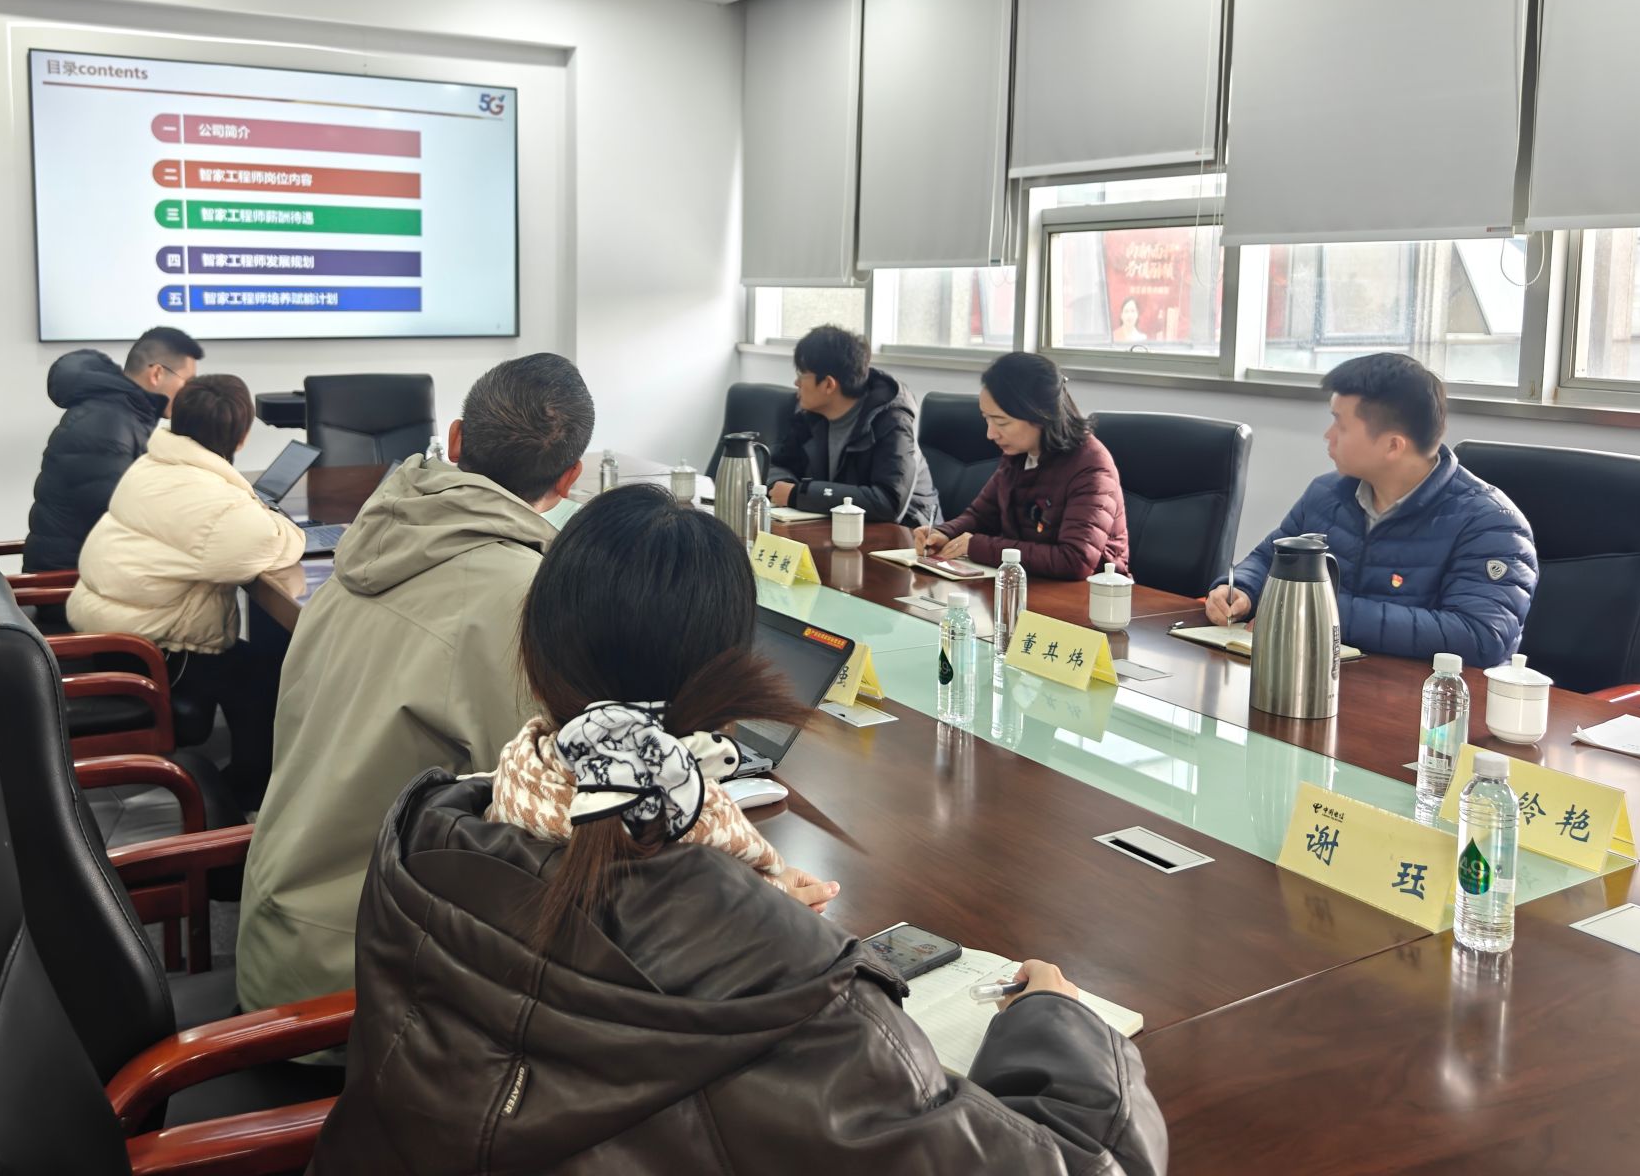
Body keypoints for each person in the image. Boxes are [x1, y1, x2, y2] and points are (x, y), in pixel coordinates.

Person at [307, 483, 1167, 1175]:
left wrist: (738, 908)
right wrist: (1056, 1022)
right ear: (733, 672)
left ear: (534, 648)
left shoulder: (436, 827)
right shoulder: (773, 975)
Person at [237, 352, 595, 1017]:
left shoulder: (371, 538)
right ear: (571, 477)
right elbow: (540, 813)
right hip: (366, 984)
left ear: (455, 441)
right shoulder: (524, 599)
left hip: (278, 930)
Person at [1206, 352, 1536, 665]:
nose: (1328, 435)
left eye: (1341, 425)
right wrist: (1242, 590)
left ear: (1393, 445)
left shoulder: (1491, 523)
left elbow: (1480, 636)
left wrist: (1322, 612)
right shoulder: (1326, 494)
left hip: (1423, 699)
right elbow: (1270, 558)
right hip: (1327, 676)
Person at [67, 373, 304, 807]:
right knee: (265, 673)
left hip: (112, 633)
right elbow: (272, 545)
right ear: (243, 435)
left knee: (251, 661)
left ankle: (252, 777)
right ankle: (250, 791)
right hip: (151, 656)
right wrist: (281, 523)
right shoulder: (212, 499)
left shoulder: (153, 464)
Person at [913, 353, 1128, 581]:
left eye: (1002, 422)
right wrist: (944, 533)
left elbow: (1075, 560)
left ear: (1040, 414)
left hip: (1090, 595)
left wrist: (977, 546)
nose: (990, 434)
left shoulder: (1091, 466)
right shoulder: (1018, 454)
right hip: (1029, 584)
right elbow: (981, 516)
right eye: (987, 419)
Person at [25, 326, 203, 573]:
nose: (189, 392)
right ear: (157, 373)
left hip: (93, 570)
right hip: (69, 583)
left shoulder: (120, 412)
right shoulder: (108, 425)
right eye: (188, 382)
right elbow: (124, 517)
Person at [765, 324, 939, 526]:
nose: (796, 383)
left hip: (907, 533)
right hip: (838, 526)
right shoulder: (811, 414)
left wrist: (799, 494)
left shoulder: (893, 420)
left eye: (802, 375)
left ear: (828, 384)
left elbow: (888, 503)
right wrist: (784, 485)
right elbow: (778, 463)